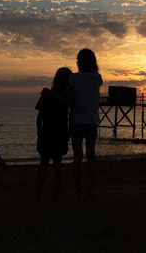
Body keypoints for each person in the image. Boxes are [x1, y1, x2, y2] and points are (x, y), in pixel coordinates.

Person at [43, 49, 103, 198]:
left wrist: (50, 94)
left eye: (77, 60)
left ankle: (78, 191)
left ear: (79, 62)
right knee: (91, 154)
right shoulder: (98, 78)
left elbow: (69, 102)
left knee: (78, 155)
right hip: (92, 121)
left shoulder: (74, 78)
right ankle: (90, 190)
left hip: (77, 121)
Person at [36, 67, 72, 199]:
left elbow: (39, 117)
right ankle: (55, 194)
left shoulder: (48, 95)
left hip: (49, 133)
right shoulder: (68, 96)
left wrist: (39, 133)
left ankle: (39, 194)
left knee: (44, 165)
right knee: (57, 165)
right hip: (59, 133)